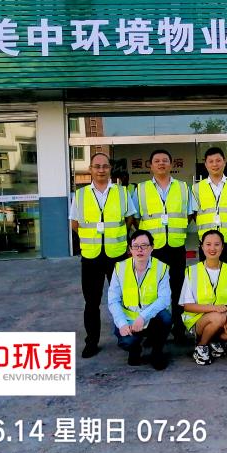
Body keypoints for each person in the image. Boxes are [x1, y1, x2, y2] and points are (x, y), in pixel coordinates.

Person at [69, 152, 135, 358]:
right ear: (90, 169)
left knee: (124, 299)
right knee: (92, 302)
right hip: (91, 256)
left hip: (117, 254)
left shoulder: (122, 192)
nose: (101, 170)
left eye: (105, 166)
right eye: (97, 166)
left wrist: (115, 237)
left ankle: (127, 338)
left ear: (110, 169)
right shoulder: (80, 195)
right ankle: (92, 341)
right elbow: (75, 224)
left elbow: (129, 219)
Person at [133, 149, 193, 343]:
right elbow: (136, 218)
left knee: (178, 289)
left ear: (171, 164)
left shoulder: (183, 187)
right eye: (157, 161)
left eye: (165, 160)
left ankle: (178, 330)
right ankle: (153, 332)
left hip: (176, 246)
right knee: (153, 291)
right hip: (153, 249)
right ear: (150, 165)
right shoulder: (141, 189)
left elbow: (189, 213)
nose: (161, 163)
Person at [107, 230, 171, 369]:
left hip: (151, 317)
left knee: (166, 318)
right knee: (127, 342)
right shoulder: (120, 268)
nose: (140, 250)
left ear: (152, 248)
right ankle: (135, 349)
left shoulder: (161, 268)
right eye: (135, 246)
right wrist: (122, 323)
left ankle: (157, 352)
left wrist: (143, 317)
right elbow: (113, 300)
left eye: (144, 246)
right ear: (130, 249)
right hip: (129, 319)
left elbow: (165, 299)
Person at [179, 230, 227, 365]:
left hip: (222, 317)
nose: (212, 248)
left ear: (222, 247)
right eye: (208, 244)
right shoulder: (192, 271)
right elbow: (187, 306)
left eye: (217, 244)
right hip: (197, 320)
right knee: (218, 317)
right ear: (202, 247)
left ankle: (213, 340)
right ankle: (201, 345)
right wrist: (214, 309)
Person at [191, 147, 227, 266]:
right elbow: (195, 214)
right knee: (209, 275)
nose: (215, 164)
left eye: (218, 160)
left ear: (224, 162)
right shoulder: (197, 188)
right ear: (205, 164)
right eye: (211, 161)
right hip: (207, 243)